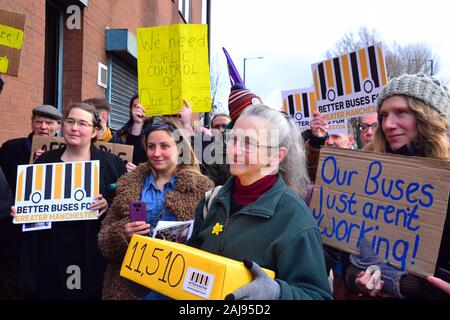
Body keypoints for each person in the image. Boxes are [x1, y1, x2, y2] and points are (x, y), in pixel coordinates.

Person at [187, 105, 332, 300]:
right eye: (233, 139)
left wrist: (277, 294)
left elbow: (317, 296)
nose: (235, 150)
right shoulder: (213, 200)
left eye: (249, 143)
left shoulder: (294, 218)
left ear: (275, 156)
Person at [345, 73, 450, 300]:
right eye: (383, 115)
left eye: (401, 112)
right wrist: (360, 280)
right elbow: (352, 263)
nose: (388, 124)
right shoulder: (371, 181)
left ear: (428, 116)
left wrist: (400, 283)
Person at [12, 102, 126, 299]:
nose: (74, 128)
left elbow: (124, 203)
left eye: (82, 123)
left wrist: (107, 203)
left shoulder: (111, 163)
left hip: (91, 253)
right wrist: (22, 212)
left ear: (94, 131)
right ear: (63, 126)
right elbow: (31, 207)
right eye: (70, 121)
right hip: (50, 253)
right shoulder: (45, 161)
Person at [98, 118, 214, 300]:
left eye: (164, 146)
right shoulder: (129, 183)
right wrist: (123, 233)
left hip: (178, 286)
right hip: (129, 287)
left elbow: (210, 243)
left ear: (180, 148)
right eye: (151, 147)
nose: (156, 153)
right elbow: (105, 239)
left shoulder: (202, 188)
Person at [0, 104, 62, 300]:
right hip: (13, 222)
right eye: (39, 122)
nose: (43, 127)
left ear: (58, 126)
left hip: (47, 223)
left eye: (49, 122)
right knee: (10, 270)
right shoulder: (12, 147)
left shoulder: (66, 151)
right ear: (32, 123)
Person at [111, 93, 153, 167]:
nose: (140, 109)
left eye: (144, 106)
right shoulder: (119, 134)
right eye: (136, 106)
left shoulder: (159, 134)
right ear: (130, 110)